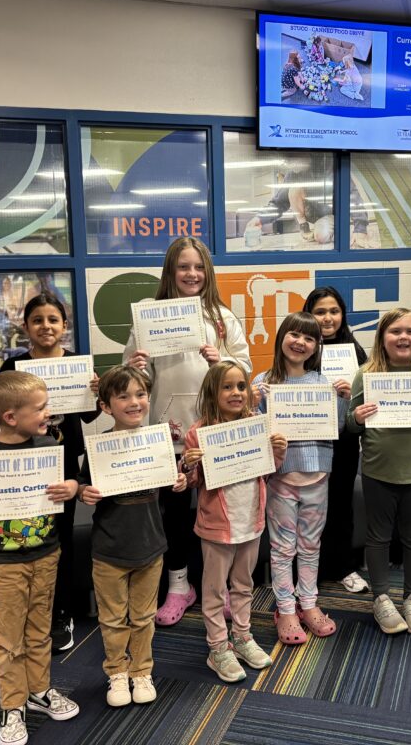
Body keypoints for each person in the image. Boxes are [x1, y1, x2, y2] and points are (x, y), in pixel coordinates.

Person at [124, 239, 251, 627]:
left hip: (217, 433)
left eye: (198, 267)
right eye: (183, 267)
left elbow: (244, 372)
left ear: (207, 272)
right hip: (168, 433)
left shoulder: (222, 318)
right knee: (174, 514)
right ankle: (180, 586)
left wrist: (223, 359)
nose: (191, 274)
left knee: (221, 512)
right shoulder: (149, 315)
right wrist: (138, 364)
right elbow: (135, 381)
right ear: (170, 271)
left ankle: (221, 587)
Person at [0, 371, 81, 745]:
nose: (48, 412)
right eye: (40, 408)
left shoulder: (49, 444)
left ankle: (39, 691)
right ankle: (13, 706)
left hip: (47, 554)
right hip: (5, 563)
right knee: (10, 639)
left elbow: (72, 482)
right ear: (11, 417)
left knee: (40, 631)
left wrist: (70, 487)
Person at [75, 366, 187, 707]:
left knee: (142, 616)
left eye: (140, 394)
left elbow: (171, 482)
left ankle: (141, 670)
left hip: (150, 547)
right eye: (123, 396)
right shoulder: (99, 448)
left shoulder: (158, 441)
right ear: (106, 406)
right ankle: (117, 673)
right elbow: (82, 486)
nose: (134, 402)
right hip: (109, 549)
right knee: (112, 618)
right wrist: (84, 493)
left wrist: (179, 482)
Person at [0, 293, 101, 654]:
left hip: (63, 465)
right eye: (38, 320)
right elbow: (2, 417)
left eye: (53, 319)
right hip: (22, 466)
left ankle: (62, 611)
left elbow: (88, 418)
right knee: (25, 537)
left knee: (61, 541)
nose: (46, 326)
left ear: (64, 326)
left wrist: (95, 392)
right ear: (26, 326)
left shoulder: (75, 364)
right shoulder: (14, 367)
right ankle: (28, 611)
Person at [346, 308, 411, 635]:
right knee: (377, 537)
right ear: (382, 338)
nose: (403, 337)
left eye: (410, 331)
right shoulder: (366, 375)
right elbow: (350, 426)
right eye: (395, 331)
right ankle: (381, 598)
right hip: (378, 470)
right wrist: (358, 418)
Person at [181, 361, 286, 682]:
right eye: (227, 386)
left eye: (241, 386)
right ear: (213, 392)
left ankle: (241, 636)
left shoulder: (257, 424)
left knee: (243, 586)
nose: (236, 392)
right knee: (213, 593)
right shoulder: (197, 433)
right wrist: (188, 465)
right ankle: (218, 647)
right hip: (216, 528)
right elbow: (191, 482)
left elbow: (267, 471)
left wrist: (277, 452)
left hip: (251, 523)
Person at [253, 312, 349, 644]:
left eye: (309, 338)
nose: (301, 342)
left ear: (316, 346)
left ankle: (308, 603)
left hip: (318, 476)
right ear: (281, 337)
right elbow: (253, 435)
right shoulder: (262, 383)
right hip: (281, 478)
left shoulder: (323, 383)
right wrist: (253, 406)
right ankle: (285, 608)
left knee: (310, 545)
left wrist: (343, 400)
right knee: (282, 549)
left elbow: (335, 428)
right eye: (294, 334)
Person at [304, 286, 369, 594]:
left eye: (334, 311)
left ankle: (343, 566)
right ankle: (309, 570)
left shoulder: (355, 351)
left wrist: (349, 396)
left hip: (343, 442)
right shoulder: (300, 347)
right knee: (309, 507)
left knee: (340, 504)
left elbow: (366, 401)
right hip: (307, 442)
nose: (327, 318)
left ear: (343, 316)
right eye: (320, 312)